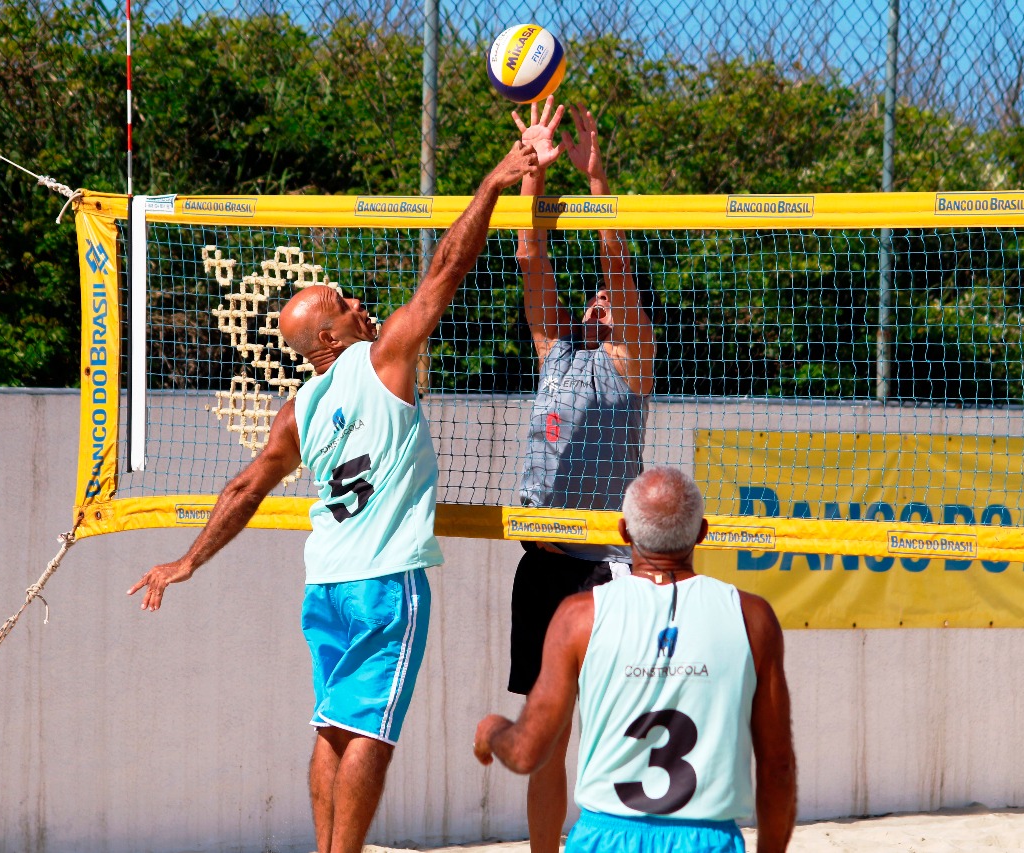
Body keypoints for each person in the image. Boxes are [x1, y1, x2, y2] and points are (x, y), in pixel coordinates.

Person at [127, 140, 542, 853]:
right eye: (344, 303)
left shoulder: (298, 409)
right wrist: (494, 182)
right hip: (384, 583)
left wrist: (187, 561)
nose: (358, 302)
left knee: (331, 727)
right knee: (372, 734)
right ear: (328, 334)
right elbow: (446, 267)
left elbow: (243, 488)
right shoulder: (381, 359)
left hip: (325, 584)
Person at [476, 467, 797, 853]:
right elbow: (778, 768)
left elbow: (529, 752)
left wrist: (492, 730)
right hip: (707, 837)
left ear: (624, 531)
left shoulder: (579, 617)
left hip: (608, 835)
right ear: (702, 533)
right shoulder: (753, 618)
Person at [509, 96, 657, 852]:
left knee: (618, 726)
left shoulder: (631, 361)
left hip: (605, 572)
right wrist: (534, 171)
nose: (598, 302)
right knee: (545, 734)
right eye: (593, 300)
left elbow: (617, 264)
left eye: (607, 301)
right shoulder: (557, 351)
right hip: (542, 562)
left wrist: (598, 186)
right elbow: (532, 259)